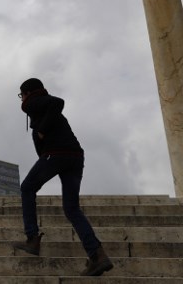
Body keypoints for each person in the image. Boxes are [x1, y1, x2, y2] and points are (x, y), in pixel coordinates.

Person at [13, 78, 113, 277]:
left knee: (27, 188)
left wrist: (41, 130)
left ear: (28, 93)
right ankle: (98, 256)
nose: (21, 100)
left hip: (57, 155)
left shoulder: (34, 102)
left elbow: (57, 102)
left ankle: (32, 238)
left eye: (21, 95)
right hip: (74, 157)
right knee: (72, 209)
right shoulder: (43, 109)